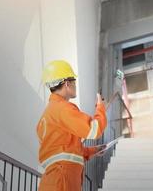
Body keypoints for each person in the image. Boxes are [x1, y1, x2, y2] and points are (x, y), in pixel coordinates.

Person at [36, 60, 107, 191]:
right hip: (63, 178)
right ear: (67, 84)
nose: (75, 85)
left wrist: (93, 151)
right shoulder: (62, 109)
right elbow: (94, 129)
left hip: (56, 178)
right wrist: (100, 107)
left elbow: (65, 149)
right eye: (74, 81)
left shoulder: (48, 115)